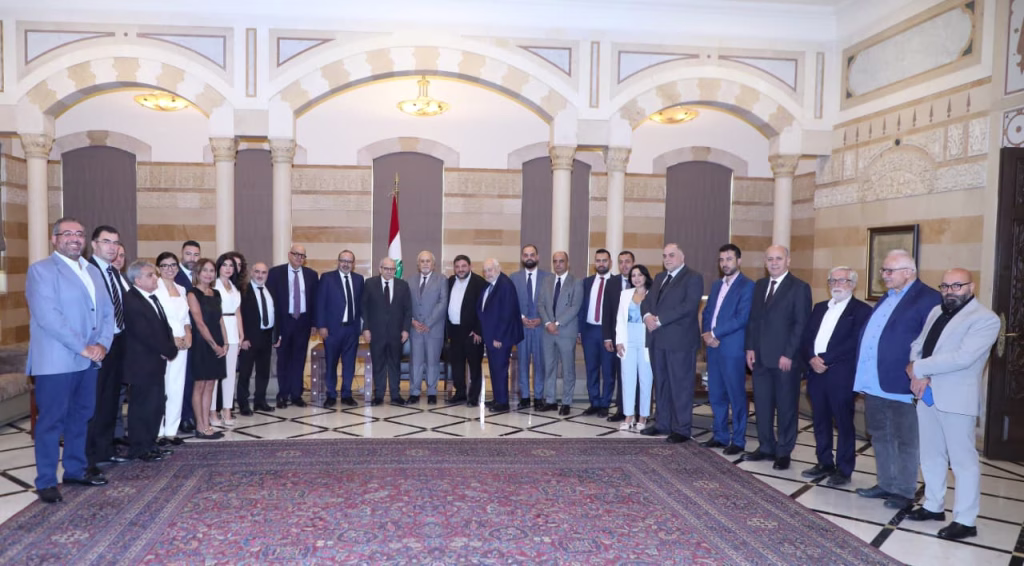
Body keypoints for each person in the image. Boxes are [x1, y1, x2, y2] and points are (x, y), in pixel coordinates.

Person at [904, 268, 999, 541]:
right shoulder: (936, 311)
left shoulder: (986, 319)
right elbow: (919, 344)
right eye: (945, 286)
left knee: (962, 461)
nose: (950, 291)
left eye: (957, 286)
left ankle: (965, 520)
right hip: (927, 393)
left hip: (956, 398)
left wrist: (919, 368)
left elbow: (962, 358)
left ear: (972, 287)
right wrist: (918, 372)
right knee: (930, 454)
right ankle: (933, 505)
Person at [26, 217, 115, 503]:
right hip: (56, 361)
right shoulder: (41, 271)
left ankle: (75, 470)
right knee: (52, 421)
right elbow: (49, 317)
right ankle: (46, 480)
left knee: (82, 416)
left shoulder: (92, 271)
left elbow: (107, 313)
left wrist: (102, 344)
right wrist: (83, 347)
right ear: (54, 239)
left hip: (89, 360)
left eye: (79, 234)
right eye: (67, 234)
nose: (75, 238)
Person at [853, 249, 940, 510]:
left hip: (903, 382)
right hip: (875, 380)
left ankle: (904, 490)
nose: (884, 275)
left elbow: (933, 342)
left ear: (909, 272)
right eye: (883, 270)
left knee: (905, 438)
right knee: (880, 434)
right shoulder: (888, 296)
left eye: (890, 271)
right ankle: (886, 483)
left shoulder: (928, 298)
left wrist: (924, 374)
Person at [799, 267, 872, 485]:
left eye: (842, 280)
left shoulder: (861, 310)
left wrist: (825, 359)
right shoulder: (820, 307)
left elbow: (854, 342)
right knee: (820, 420)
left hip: (841, 374)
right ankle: (824, 462)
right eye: (833, 280)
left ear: (853, 284)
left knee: (843, 422)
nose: (837, 284)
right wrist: (811, 358)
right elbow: (807, 336)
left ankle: (844, 468)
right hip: (816, 372)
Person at [742, 245, 811, 469]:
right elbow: (753, 320)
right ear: (765, 262)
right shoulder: (760, 285)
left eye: (778, 259)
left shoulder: (799, 287)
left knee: (786, 408)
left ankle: (783, 451)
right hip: (760, 358)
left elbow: (801, 325)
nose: (774, 263)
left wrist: (789, 354)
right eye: (770, 259)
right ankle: (766, 447)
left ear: (788, 261)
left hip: (785, 360)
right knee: (762, 406)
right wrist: (750, 348)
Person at [640, 244, 703, 443]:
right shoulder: (660, 277)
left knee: (680, 386)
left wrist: (659, 320)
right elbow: (646, 302)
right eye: (665, 255)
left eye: (672, 255)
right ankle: (662, 423)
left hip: (680, 342)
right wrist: (647, 316)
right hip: (658, 340)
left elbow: (689, 306)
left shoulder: (693, 277)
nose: (667, 259)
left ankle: (682, 429)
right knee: (661, 384)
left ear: (682, 257)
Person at [700, 244, 754, 455]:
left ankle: (738, 440)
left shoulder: (747, 286)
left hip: (732, 348)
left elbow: (741, 318)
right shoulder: (716, 285)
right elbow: (707, 312)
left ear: (739, 261)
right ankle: (720, 435)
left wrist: (715, 334)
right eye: (722, 260)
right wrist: (706, 334)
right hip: (713, 348)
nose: (725, 263)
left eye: (729, 259)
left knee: (736, 396)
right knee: (716, 394)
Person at [122, 261, 178, 462]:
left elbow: (164, 327)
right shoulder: (131, 300)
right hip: (142, 364)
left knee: (155, 405)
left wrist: (170, 347)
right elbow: (144, 333)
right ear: (137, 280)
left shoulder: (151, 297)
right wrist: (166, 350)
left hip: (155, 362)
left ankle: (150, 444)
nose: (155, 278)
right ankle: (140, 447)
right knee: (142, 407)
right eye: (150, 275)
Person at [85, 225, 129, 474]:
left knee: (111, 401)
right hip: (98, 345)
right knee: (94, 402)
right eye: (106, 241)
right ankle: (88, 457)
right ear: (94, 244)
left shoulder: (114, 273)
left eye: (115, 242)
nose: (112, 247)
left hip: (117, 342)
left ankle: (105, 449)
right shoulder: (87, 271)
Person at [267, 244, 318, 408]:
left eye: (302, 256)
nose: (299, 258)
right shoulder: (276, 273)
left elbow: (314, 302)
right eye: (296, 254)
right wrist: (274, 327)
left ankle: (296, 395)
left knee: (299, 359)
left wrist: (314, 323)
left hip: (303, 322)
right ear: (289, 255)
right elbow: (270, 301)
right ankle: (283, 395)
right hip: (284, 321)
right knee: (283, 359)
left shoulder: (311, 275)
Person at [361, 257, 412, 405]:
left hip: (397, 333)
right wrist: (365, 328)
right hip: (376, 333)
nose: (389, 271)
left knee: (395, 364)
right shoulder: (370, 284)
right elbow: (364, 308)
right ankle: (379, 395)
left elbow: (408, 310)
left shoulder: (403, 285)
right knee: (378, 364)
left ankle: (395, 395)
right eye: (386, 268)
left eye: (392, 269)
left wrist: (406, 329)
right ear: (380, 269)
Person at [537, 251, 583, 416]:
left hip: (566, 331)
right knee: (549, 367)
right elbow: (541, 304)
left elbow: (575, 307)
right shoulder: (547, 281)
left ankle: (566, 402)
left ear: (567, 263)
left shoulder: (576, 282)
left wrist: (556, 323)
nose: (558, 264)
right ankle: (550, 400)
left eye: (561, 261)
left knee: (568, 369)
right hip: (548, 332)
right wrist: (548, 323)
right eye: (555, 261)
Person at [154, 252, 192, 445]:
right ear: (158, 268)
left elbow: (186, 317)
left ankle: (171, 431)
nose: (169, 269)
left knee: (177, 386)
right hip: (164, 343)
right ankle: (158, 430)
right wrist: (171, 339)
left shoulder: (182, 289)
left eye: (173, 265)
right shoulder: (155, 288)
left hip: (183, 344)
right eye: (165, 265)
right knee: (162, 387)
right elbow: (155, 318)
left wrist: (188, 334)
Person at [186, 258, 227, 440]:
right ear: (198, 272)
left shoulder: (216, 293)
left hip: (217, 341)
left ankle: (207, 424)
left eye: (212, 270)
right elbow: (199, 323)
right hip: (202, 343)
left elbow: (220, 319)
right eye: (205, 270)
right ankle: (200, 426)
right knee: (200, 384)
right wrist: (214, 345)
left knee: (211, 384)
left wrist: (225, 343)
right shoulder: (192, 293)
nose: (209, 274)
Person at [316, 250, 363, 407]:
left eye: (349, 261)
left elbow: (361, 305)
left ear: (353, 264)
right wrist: (322, 325)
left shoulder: (359, 279)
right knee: (331, 363)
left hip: (352, 329)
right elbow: (320, 303)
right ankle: (330, 394)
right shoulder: (327, 278)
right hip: (332, 330)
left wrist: (362, 327)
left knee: (349, 364)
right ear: (338, 261)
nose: (346, 264)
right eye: (343, 260)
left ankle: (346, 394)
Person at [478, 258, 523, 412]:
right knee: (494, 368)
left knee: (500, 369)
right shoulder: (490, 284)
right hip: (491, 336)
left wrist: (499, 337)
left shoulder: (505, 285)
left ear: (498, 269)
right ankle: (498, 398)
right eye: (485, 271)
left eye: (490, 270)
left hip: (500, 338)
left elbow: (507, 314)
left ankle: (503, 402)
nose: (487, 273)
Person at [614, 265, 654, 431]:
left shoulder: (653, 294)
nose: (636, 278)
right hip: (627, 340)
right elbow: (619, 319)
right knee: (627, 379)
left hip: (646, 341)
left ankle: (643, 416)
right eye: (633, 275)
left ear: (645, 276)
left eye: (639, 275)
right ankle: (628, 415)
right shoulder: (625, 294)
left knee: (646, 379)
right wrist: (619, 341)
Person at [510, 245, 550, 410]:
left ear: (537, 257)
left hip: (541, 328)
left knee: (540, 363)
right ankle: (525, 396)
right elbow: (511, 302)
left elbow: (551, 303)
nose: (529, 258)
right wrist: (521, 318)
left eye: (532, 255)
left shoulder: (548, 277)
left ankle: (539, 396)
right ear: (522, 257)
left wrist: (542, 319)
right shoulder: (514, 278)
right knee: (523, 363)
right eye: (526, 255)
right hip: (522, 328)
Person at [579, 249, 616, 417]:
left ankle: (605, 404)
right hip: (589, 331)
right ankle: (594, 402)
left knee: (608, 370)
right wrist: (580, 330)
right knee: (591, 369)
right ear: (594, 263)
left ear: (610, 262)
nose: (601, 264)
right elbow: (581, 307)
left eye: (604, 260)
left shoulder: (616, 283)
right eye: (598, 260)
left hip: (607, 331)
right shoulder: (586, 282)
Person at [408, 251, 448, 404]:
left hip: (433, 329)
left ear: (433, 264)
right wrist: (412, 321)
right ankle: (414, 392)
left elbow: (442, 303)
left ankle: (432, 392)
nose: (425, 264)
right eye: (422, 261)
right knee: (416, 362)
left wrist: (428, 323)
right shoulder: (410, 280)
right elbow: (405, 304)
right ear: (418, 264)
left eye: (428, 261)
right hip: (415, 329)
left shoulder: (442, 280)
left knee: (432, 361)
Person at [446, 255, 487, 405]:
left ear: (470, 266)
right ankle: (460, 393)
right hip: (454, 331)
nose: (460, 269)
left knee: (474, 366)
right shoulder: (450, 281)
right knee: (457, 364)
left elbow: (484, 309)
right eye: (457, 267)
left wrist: (478, 330)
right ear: (454, 268)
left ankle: (474, 397)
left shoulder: (479, 283)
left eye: (463, 266)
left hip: (472, 333)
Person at [238, 262, 276, 414]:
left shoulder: (270, 290)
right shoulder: (243, 291)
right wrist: (243, 338)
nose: (260, 275)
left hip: (266, 336)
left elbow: (275, 313)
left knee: (263, 372)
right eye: (257, 272)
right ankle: (243, 404)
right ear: (251, 273)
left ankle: (260, 401)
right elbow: (239, 316)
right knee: (245, 373)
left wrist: (276, 335)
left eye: (264, 272)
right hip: (249, 338)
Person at [212, 254, 244, 426]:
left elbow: (238, 312)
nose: (228, 268)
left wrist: (241, 334)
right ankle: (212, 411)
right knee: (215, 374)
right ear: (219, 267)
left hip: (233, 330)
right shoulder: (213, 285)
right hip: (219, 329)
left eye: (231, 265)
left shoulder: (234, 287)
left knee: (230, 373)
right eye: (224, 265)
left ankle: (227, 409)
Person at [604, 250, 634, 422]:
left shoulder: (641, 281)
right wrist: (608, 337)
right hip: (618, 338)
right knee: (621, 375)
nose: (624, 265)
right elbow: (607, 311)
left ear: (633, 263)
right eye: (621, 262)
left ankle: (639, 410)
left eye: (627, 261)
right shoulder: (612, 282)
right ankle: (622, 409)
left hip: (637, 337)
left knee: (637, 375)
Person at [175, 240, 200, 435]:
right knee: (183, 378)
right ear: (182, 254)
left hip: (200, 334)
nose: (192, 258)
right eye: (188, 254)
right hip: (183, 334)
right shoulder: (175, 276)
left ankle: (193, 414)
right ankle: (183, 417)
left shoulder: (201, 276)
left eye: (196, 255)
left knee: (195, 377)